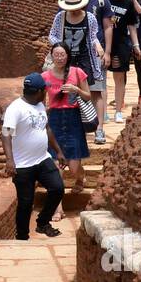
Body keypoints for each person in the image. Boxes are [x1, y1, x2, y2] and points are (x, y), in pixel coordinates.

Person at [1, 73, 69, 240]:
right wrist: (10, 161)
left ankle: (42, 222)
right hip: (23, 165)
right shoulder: (15, 109)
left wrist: (58, 151)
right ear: (39, 91)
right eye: (44, 90)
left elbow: (47, 129)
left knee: (57, 188)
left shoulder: (39, 105)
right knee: (25, 203)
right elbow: (6, 134)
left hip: (42, 159)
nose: (46, 92)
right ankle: (22, 237)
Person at [49, 0, 108, 144]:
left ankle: (99, 129)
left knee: (94, 92)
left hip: (86, 59)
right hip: (67, 60)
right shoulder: (60, 17)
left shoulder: (90, 18)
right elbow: (52, 35)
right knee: (68, 93)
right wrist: (60, 47)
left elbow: (93, 36)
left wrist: (98, 45)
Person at [41, 43, 91, 192]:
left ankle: (81, 177)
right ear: (51, 56)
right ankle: (58, 209)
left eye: (62, 54)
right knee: (57, 167)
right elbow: (41, 102)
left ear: (67, 56)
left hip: (73, 120)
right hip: (55, 120)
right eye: (56, 55)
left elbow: (88, 96)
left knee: (74, 167)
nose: (59, 58)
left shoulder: (77, 72)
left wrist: (76, 90)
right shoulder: (45, 76)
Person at [98, 0, 141, 124]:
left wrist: (136, 45)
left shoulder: (128, 1)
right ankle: (103, 112)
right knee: (101, 78)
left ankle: (118, 111)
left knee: (119, 78)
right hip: (103, 42)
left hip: (121, 43)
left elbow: (132, 25)